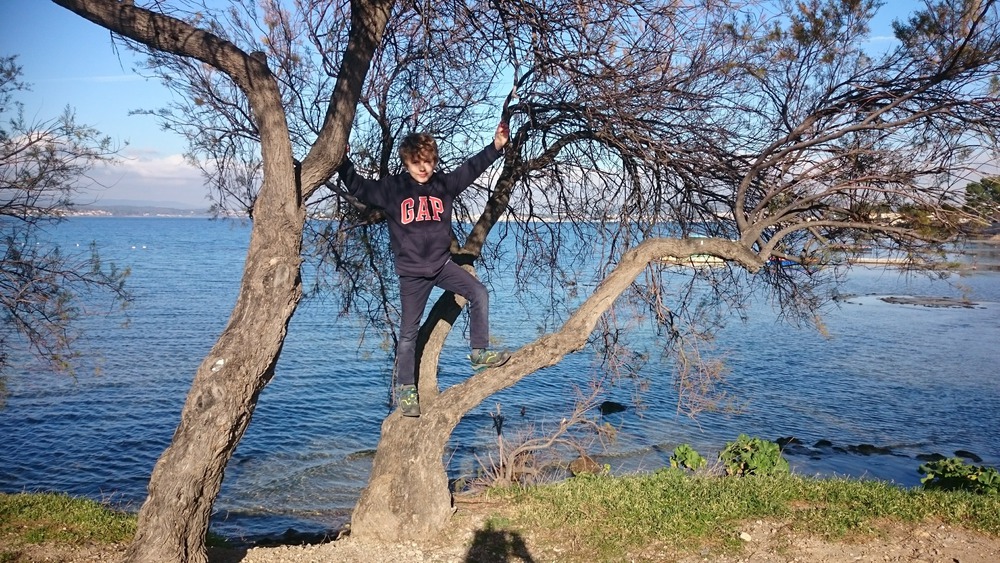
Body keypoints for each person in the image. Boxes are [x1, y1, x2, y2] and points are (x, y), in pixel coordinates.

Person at [337, 123, 513, 417]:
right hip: (412, 275)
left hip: (442, 266)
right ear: (407, 162)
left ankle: (479, 353)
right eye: (417, 162)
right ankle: (407, 388)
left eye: (429, 162)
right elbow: (359, 186)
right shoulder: (392, 189)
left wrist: (496, 147)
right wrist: (342, 163)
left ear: (435, 161)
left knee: (479, 293)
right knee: (408, 333)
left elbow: (471, 168)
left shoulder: (443, 185)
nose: (423, 168)